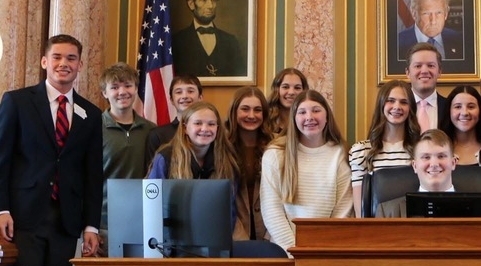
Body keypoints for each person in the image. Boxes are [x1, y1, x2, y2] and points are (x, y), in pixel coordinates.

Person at [0, 34, 102, 266]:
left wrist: (91, 225)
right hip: (22, 217)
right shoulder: (16, 102)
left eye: (71, 58)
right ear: (44, 62)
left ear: (79, 65)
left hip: (67, 221)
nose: (63, 64)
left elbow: (93, 175)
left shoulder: (91, 113)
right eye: (56, 57)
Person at [261, 90, 353, 255]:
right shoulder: (275, 154)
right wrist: (296, 252)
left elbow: (343, 211)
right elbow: (272, 211)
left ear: (327, 116)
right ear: (294, 118)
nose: (309, 117)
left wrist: (321, 253)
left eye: (316, 110)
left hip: (327, 252)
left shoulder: (340, 153)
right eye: (302, 112)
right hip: (283, 252)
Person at [99, 62, 155, 256]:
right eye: (114, 87)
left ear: (136, 88)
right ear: (105, 93)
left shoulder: (151, 130)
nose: (122, 92)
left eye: (127, 85)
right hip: (103, 224)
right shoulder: (93, 129)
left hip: (144, 222)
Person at [348, 80, 421, 217]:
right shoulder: (361, 151)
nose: (397, 107)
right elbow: (360, 213)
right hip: (376, 231)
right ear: (381, 105)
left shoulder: (422, 150)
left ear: (411, 108)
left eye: (404, 102)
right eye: (390, 101)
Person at [224, 87, 273, 241]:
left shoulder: (276, 146)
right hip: (233, 232)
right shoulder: (222, 146)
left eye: (257, 110)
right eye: (245, 109)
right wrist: (240, 239)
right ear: (234, 111)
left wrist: (271, 236)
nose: (251, 115)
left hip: (270, 231)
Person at [147, 101, 236, 182]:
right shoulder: (165, 158)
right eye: (198, 123)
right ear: (185, 128)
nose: (205, 129)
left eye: (211, 124)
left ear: (218, 128)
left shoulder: (227, 157)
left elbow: (231, 197)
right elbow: (153, 196)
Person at [377, 129, 458, 218]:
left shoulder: (475, 209)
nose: (434, 164)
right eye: (426, 157)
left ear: (453, 163)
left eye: (441, 156)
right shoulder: (388, 212)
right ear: (415, 166)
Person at [172, 0, 244, 77]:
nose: (210, 6)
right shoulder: (176, 42)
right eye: (204, 0)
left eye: (213, 0)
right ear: (191, 4)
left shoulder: (231, 41)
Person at [145, 75, 203, 166]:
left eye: (190, 91)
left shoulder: (208, 132)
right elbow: (151, 174)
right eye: (179, 92)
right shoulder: (157, 135)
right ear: (171, 100)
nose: (185, 96)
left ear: (200, 97)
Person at [396, 0, 464, 61]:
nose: (433, 21)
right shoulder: (397, 44)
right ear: (414, 13)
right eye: (426, 13)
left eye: (439, 13)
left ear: (446, 13)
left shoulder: (459, 40)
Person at [439, 85, 481, 166]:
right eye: (458, 107)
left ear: (480, 111)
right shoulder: (437, 148)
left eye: (471, 107)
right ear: (449, 112)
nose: (464, 113)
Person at [405, 42, 448, 131]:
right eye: (418, 66)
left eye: (431, 66)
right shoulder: (396, 108)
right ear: (408, 72)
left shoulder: (450, 107)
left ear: (439, 71)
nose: (424, 71)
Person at [266, 67, 308, 135]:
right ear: (277, 90)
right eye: (285, 87)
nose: (291, 92)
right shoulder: (264, 119)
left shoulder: (309, 120)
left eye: (297, 88)